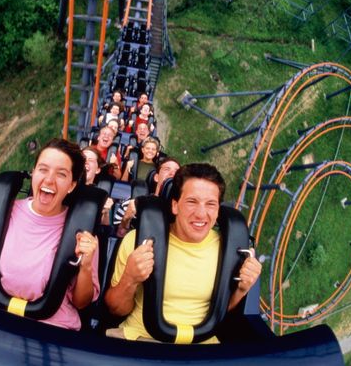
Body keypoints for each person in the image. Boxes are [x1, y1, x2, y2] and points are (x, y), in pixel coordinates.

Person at [105, 163, 262, 343]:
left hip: (201, 346)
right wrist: (130, 278)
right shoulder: (137, 240)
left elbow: (222, 311)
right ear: (175, 205)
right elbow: (115, 309)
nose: (201, 214)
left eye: (210, 204)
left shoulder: (231, 249)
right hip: (142, 339)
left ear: (218, 210)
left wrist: (241, 290)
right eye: (191, 202)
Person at [0, 138, 100, 331]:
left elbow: (81, 303)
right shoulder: (3, 212)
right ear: (34, 173)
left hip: (48, 326)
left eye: (61, 174)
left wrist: (86, 266)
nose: (49, 180)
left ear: (71, 185)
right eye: (43, 169)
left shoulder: (82, 233)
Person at [114, 157, 180, 237]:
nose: (172, 173)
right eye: (167, 169)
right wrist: (126, 219)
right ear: (156, 177)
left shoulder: (181, 210)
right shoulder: (132, 203)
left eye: (177, 171)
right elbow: (119, 236)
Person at [82, 146, 113, 225]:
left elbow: (104, 229)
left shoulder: (99, 196)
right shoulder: (65, 188)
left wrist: (105, 212)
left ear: (97, 170)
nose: (86, 162)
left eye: (91, 160)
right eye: (83, 159)